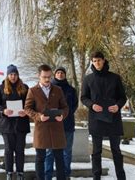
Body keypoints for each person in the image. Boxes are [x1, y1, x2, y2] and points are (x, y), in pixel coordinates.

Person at [81, 51, 127, 180]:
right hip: (96, 119)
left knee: (116, 151)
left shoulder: (115, 77)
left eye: (99, 60)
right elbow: (84, 97)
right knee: (96, 152)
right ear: (92, 62)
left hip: (113, 119)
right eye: (94, 61)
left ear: (104, 60)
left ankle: (121, 177)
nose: (97, 63)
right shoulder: (88, 79)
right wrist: (92, 105)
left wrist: (118, 106)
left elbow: (122, 97)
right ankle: (96, 177)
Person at [25, 64, 68, 180]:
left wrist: (62, 115)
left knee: (59, 158)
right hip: (41, 129)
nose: (47, 79)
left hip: (57, 128)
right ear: (39, 76)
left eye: (49, 76)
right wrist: (38, 116)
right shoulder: (32, 91)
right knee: (40, 158)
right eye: (44, 77)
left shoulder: (58, 90)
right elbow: (27, 109)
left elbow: (65, 107)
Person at [0, 64, 30, 180]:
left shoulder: (25, 87)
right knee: (8, 150)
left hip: (21, 123)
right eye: (11, 74)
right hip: (6, 124)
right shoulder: (1, 87)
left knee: (20, 150)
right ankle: (9, 172)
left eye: (15, 74)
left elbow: (30, 103)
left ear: (18, 75)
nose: (13, 76)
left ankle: (20, 173)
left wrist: (26, 111)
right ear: (8, 75)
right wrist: (3, 111)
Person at [45, 66, 78, 179]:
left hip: (67, 125)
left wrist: (64, 115)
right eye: (58, 72)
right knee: (49, 152)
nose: (60, 74)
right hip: (52, 125)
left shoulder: (71, 90)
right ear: (55, 75)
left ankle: (66, 175)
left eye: (62, 73)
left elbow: (74, 106)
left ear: (65, 75)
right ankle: (47, 175)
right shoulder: (48, 88)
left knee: (66, 152)